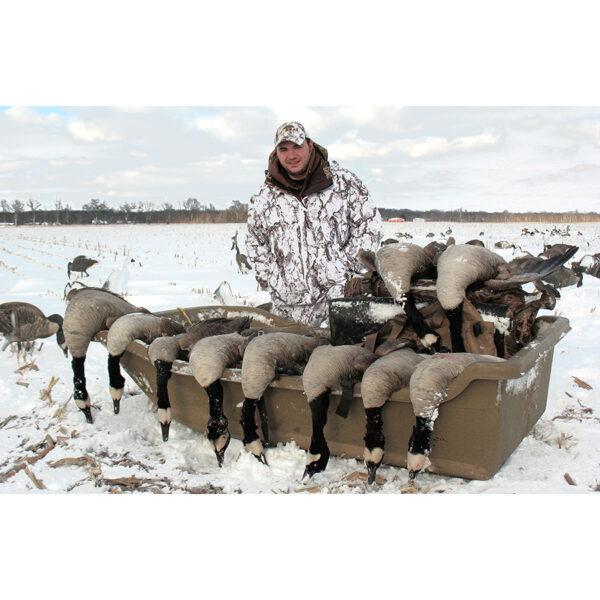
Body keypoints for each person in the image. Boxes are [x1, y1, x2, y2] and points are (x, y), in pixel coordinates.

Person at [245, 121, 382, 326]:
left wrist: (343, 268)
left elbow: (369, 225)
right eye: (284, 149)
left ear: (310, 145)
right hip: (286, 308)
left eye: (297, 147)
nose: (291, 156)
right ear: (276, 151)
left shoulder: (343, 183)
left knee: (336, 357)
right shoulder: (265, 197)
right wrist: (272, 280)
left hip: (337, 301)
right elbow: (255, 243)